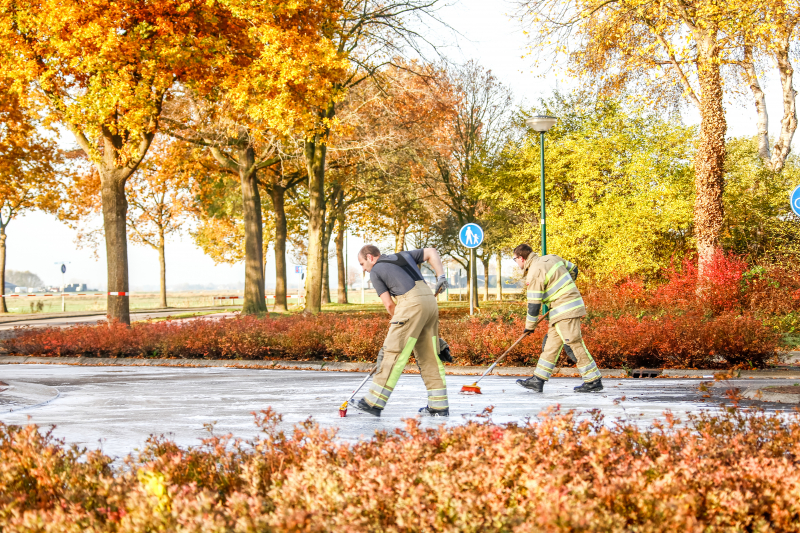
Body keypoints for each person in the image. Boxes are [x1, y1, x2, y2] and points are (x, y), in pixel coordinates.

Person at [350, 245, 450, 417]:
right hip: (430, 302)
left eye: (362, 264)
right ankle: (439, 406)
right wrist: (441, 276)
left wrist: (402, 324)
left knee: (392, 353)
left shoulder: (375, 271)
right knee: (429, 356)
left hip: (411, 304)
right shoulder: (404, 255)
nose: (363, 269)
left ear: (370, 257)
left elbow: (389, 305)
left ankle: (373, 403)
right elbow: (432, 251)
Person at [512, 244, 603, 393]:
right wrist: (565, 290)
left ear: (521, 258)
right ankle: (538, 380)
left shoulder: (534, 273)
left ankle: (593, 380)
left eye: (515, 259)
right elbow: (574, 269)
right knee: (551, 346)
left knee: (574, 344)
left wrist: (529, 326)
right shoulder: (552, 258)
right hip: (561, 309)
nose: (516, 263)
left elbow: (534, 304)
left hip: (564, 310)